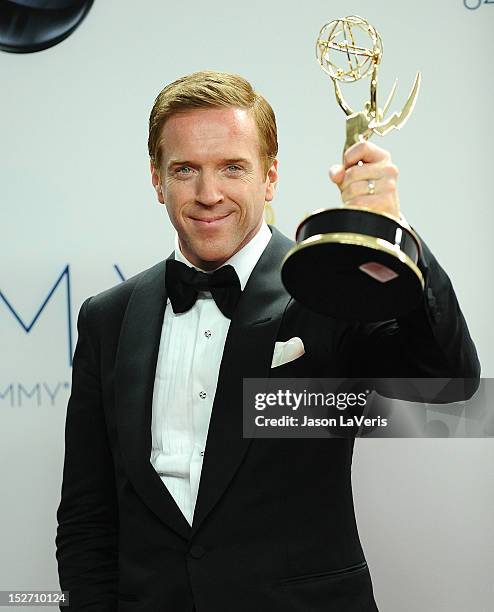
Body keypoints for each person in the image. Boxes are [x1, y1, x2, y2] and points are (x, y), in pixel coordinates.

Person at [56, 71, 480, 611]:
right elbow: (87, 517)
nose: (208, 195)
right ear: (157, 179)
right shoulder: (107, 318)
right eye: (185, 170)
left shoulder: (328, 288)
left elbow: (450, 385)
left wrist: (394, 231)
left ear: (270, 176)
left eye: (233, 167)